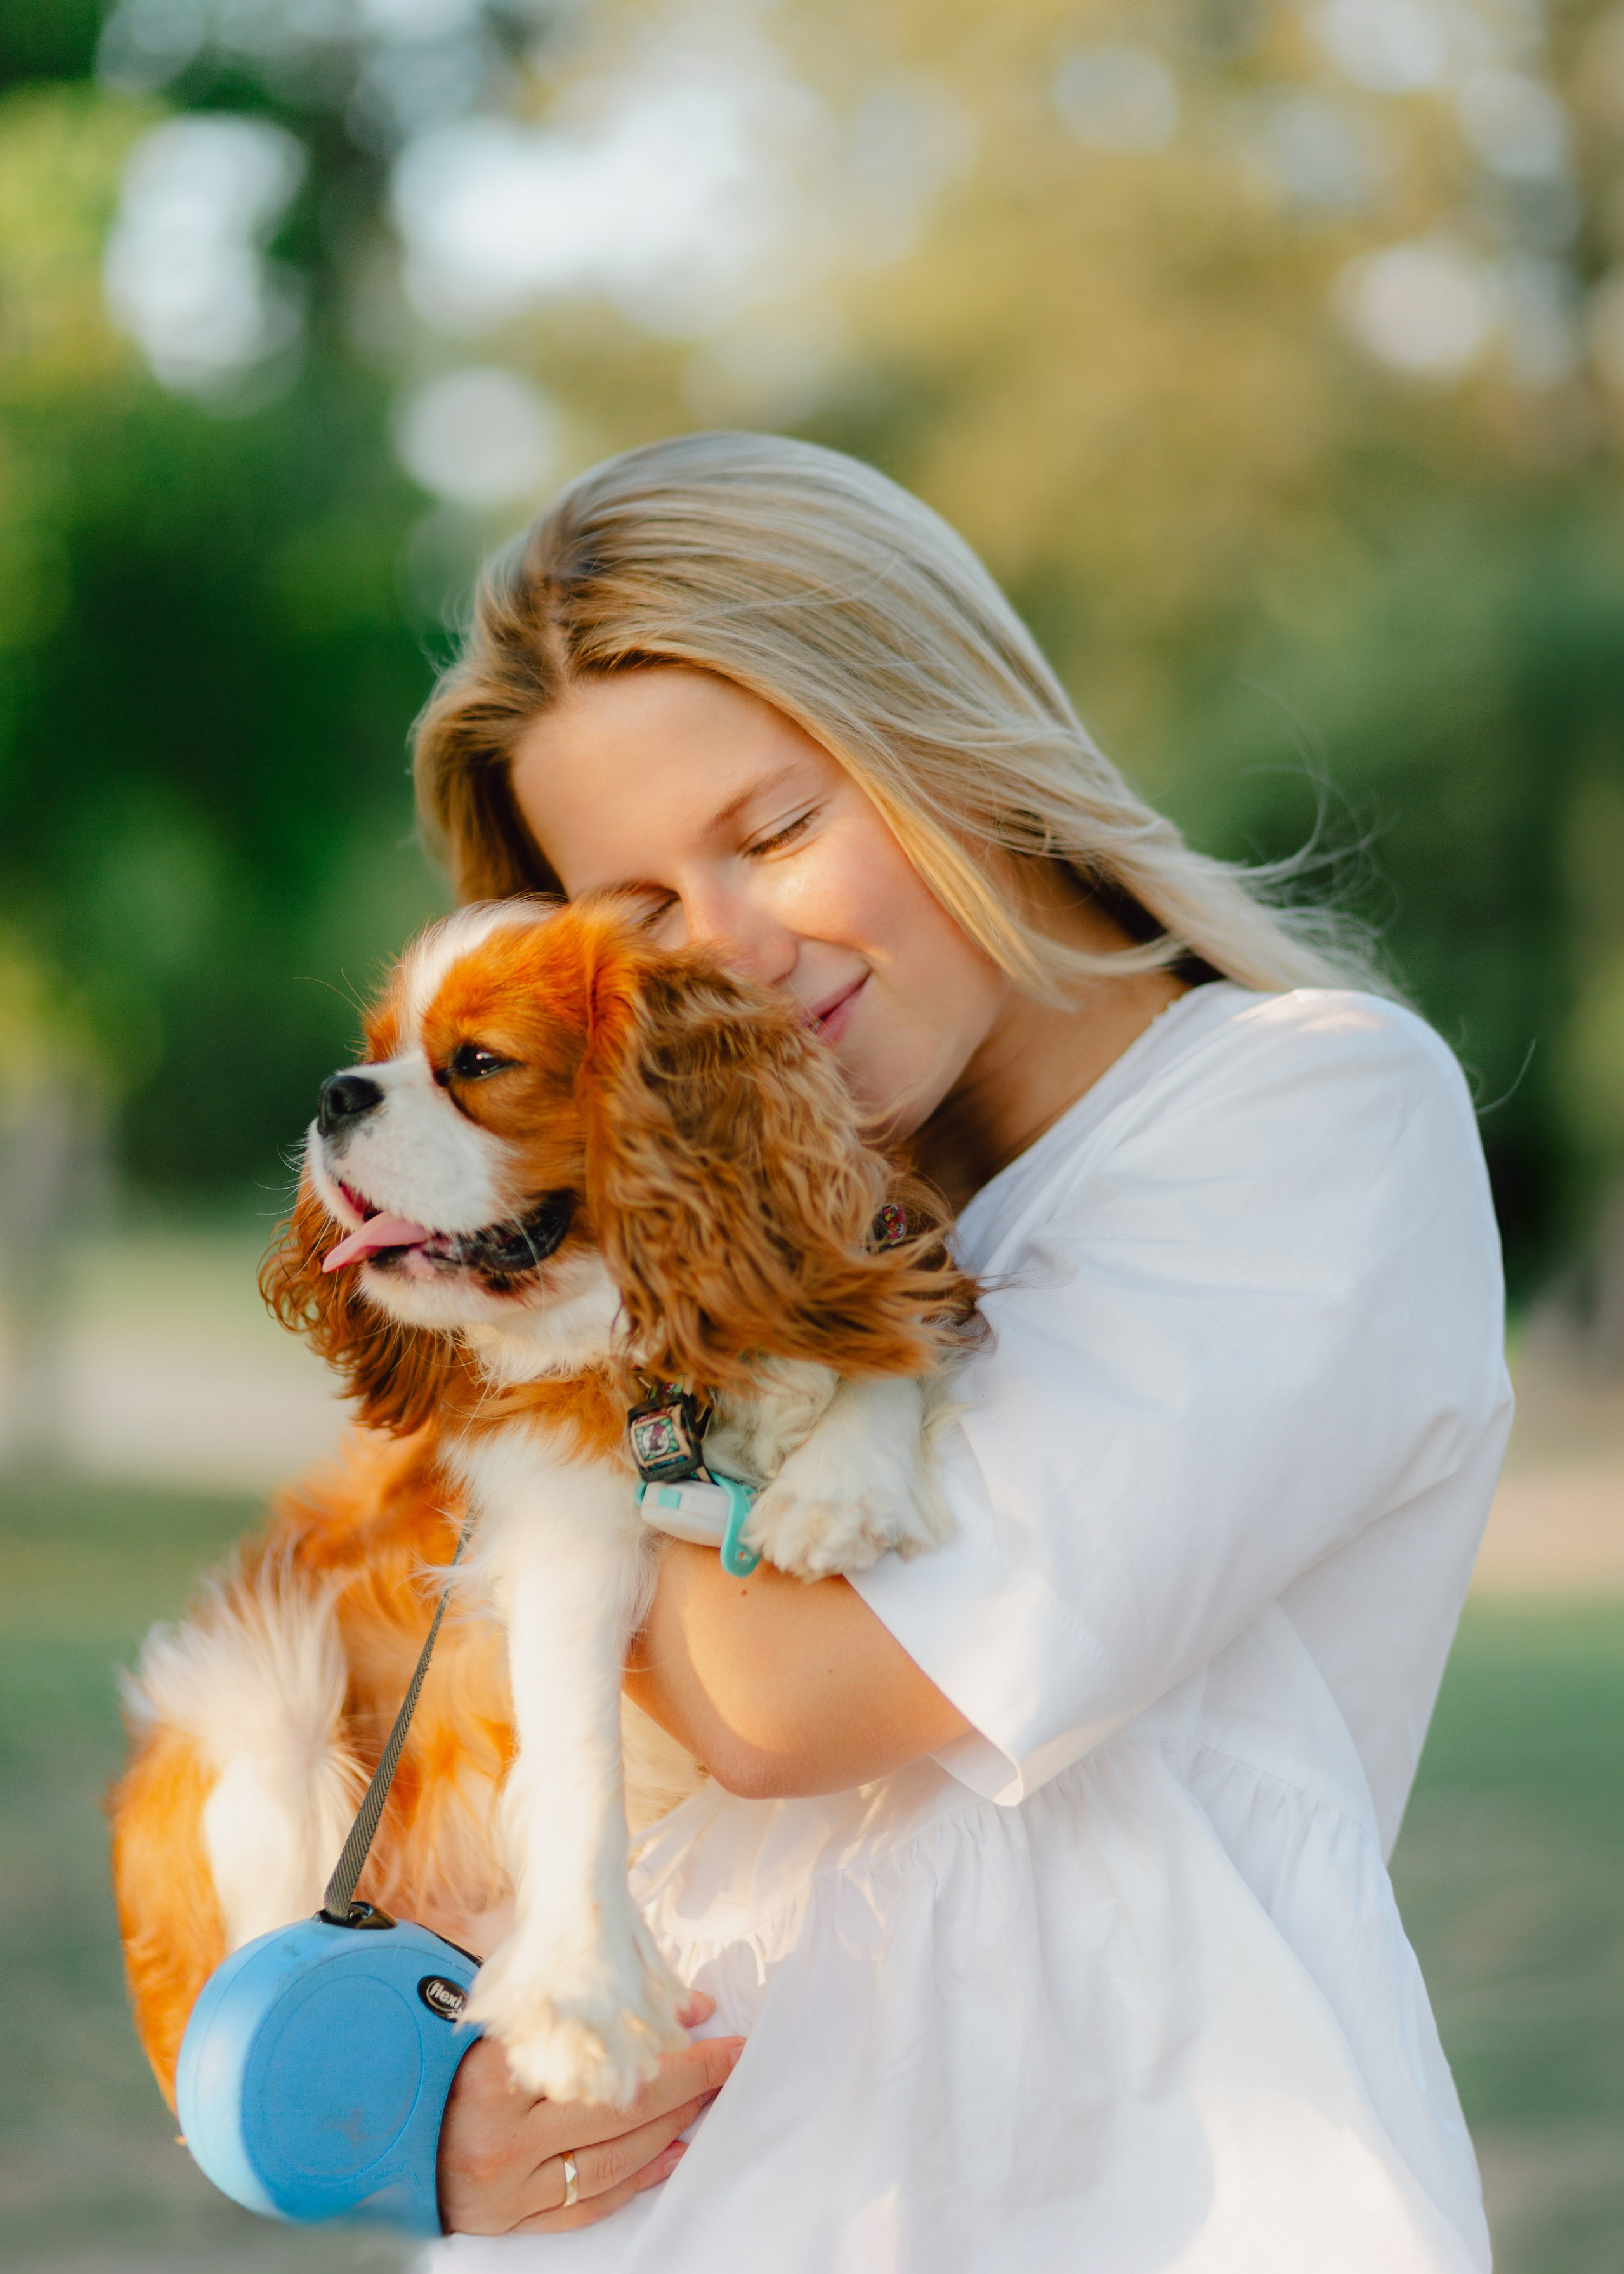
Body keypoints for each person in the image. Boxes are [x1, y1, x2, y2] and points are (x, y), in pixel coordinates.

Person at [410, 432, 1510, 2269]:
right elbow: (459, 1805)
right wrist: (427, 2122)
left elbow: (790, 1700)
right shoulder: (708, 1253)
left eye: (777, 832)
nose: (740, 948)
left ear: (949, 735)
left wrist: (564, 1463)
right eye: (648, 917)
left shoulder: (1306, 1119)